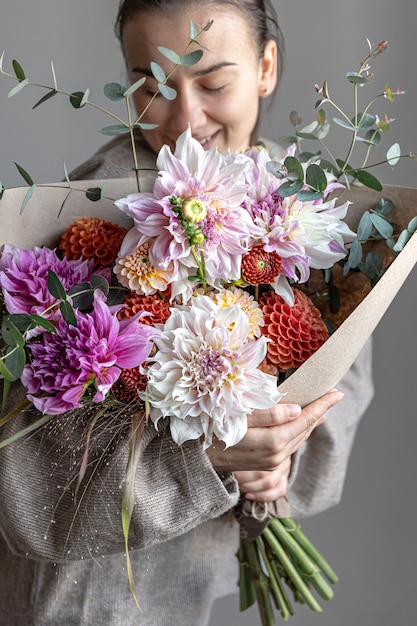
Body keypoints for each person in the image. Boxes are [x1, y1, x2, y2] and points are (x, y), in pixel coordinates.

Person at [0, 1, 374, 624]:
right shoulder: (86, 221)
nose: (185, 121)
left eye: (214, 82)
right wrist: (205, 455)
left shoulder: (301, 207)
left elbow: (340, 370)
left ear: (266, 67)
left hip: (188, 589)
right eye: (152, 87)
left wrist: (278, 454)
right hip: (79, 598)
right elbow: (23, 468)